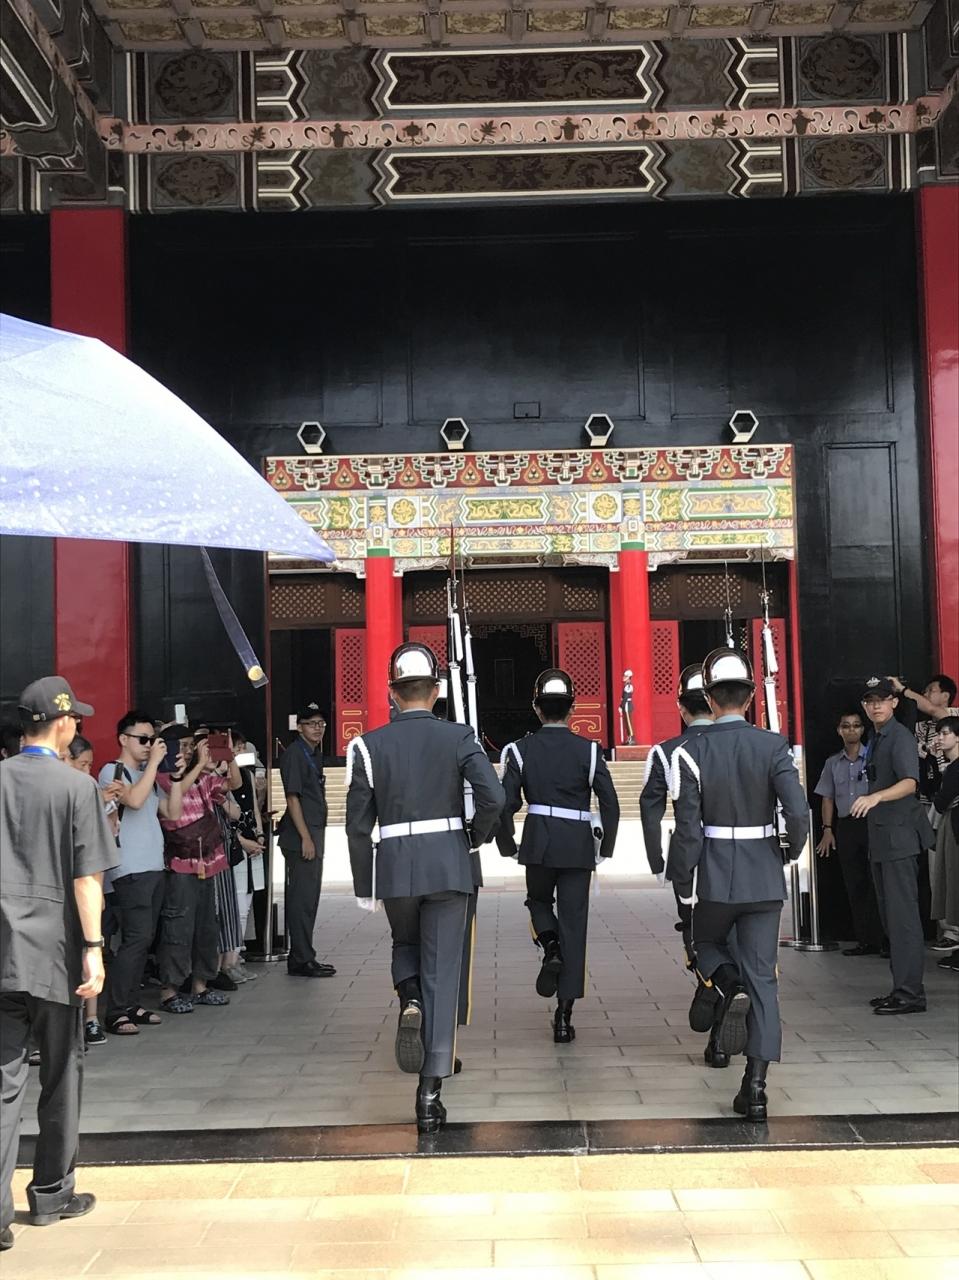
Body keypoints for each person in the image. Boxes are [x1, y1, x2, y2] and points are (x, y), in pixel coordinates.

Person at [345, 643, 503, 1133]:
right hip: (449, 864)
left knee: (405, 944)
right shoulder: (459, 736)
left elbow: (357, 825)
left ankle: (409, 997)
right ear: (436, 692)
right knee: (444, 970)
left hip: (396, 867)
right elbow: (494, 796)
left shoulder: (367, 746)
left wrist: (365, 884)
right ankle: (429, 1095)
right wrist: (473, 838)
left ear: (392, 693)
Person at [1, 677, 118, 1252]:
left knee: (2, 1083)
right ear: (64, 723)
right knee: (61, 1073)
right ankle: (51, 1193)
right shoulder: (77, 787)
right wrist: (94, 948)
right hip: (55, 954)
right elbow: (86, 878)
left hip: (2, 951)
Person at [670, 649, 809, 1121]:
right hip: (763, 873)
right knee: (764, 977)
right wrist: (787, 852)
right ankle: (756, 1087)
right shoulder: (774, 746)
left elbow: (687, 831)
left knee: (703, 942)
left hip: (713, 874)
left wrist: (684, 884)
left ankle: (728, 986)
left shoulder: (689, 752)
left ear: (709, 699)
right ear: (750, 698)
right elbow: (797, 812)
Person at [496, 669, 619, 1045]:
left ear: (537, 708)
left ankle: (550, 946)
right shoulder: (590, 750)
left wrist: (507, 843)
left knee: (537, 902)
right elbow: (610, 803)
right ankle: (564, 1018)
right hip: (577, 845)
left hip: (538, 841)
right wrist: (605, 848)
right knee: (575, 925)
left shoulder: (520, 750)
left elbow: (505, 803)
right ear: (572, 708)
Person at [97, 712, 185, 1037]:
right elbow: (133, 801)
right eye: (143, 739)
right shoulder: (113, 771)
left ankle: (131, 1004)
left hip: (152, 867)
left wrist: (176, 777)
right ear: (124, 739)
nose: (149, 745)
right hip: (129, 869)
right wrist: (154, 766)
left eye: (153, 740)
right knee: (134, 939)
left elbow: (172, 812)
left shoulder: (145, 774)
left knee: (144, 939)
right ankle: (116, 1010)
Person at [853, 677, 935, 1016]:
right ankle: (901, 987)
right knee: (891, 918)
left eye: (882, 700)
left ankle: (910, 994)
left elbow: (910, 783)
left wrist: (876, 797)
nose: (876, 706)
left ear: (894, 702)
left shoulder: (898, 737)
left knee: (902, 919)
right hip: (883, 837)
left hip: (898, 837)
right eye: (870, 701)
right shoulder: (878, 737)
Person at [153, 728, 234, 1014]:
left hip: (206, 861)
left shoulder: (201, 776)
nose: (187, 752)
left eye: (191, 746)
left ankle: (200, 985)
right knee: (178, 926)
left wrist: (228, 756)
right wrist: (199, 765)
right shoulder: (162, 776)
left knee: (206, 926)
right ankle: (169, 990)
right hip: (180, 862)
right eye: (183, 746)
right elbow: (176, 795)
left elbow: (231, 785)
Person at [640, 663, 714, 967]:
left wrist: (657, 860)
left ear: (681, 708)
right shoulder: (744, 743)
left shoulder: (665, 751)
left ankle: (707, 976)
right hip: (741, 854)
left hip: (687, 856)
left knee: (693, 927)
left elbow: (650, 811)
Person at [64, 736, 122, 1047]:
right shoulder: (64, 795)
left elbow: (110, 832)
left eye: (90, 765)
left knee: (91, 952)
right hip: (69, 889)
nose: (88, 772)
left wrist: (105, 805)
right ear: (65, 760)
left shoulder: (91, 795)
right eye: (82, 764)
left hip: (89, 886)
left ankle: (90, 1019)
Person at [814, 709, 885, 957]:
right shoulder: (833, 763)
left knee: (878, 882)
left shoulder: (874, 757)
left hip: (872, 823)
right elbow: (827, 798)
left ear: (863, 729)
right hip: (846, 826)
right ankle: (865, 940)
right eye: (846, 726)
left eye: (856, 725)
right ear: (839, 730)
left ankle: (885, 939)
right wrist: (827, 830)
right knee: (855, 883)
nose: (851, 730)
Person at [277, 704, 334, 979]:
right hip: (301, 839)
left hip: (312, 835)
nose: (317, 728)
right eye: (311, 723)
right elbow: (292, 798)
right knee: (301, 900)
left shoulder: (313, 753)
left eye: (321, 723)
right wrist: (306, 838)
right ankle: (301, 958)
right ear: (299, 727)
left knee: (309, 899)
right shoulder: (295, 755)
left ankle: (304, 954)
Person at [930, 716, 959, 972]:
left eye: (945, 733)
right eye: (938, 733)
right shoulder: (949, 766)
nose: (940, 738)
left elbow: (941, 800)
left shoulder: (955, 768)